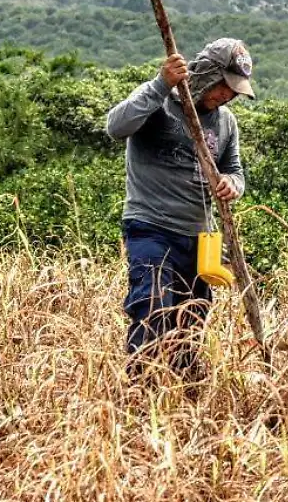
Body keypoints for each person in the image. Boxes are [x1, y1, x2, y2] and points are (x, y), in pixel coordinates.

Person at [103, 37, 253, 383]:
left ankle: (183, 402)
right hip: (152, 228)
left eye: (232, 92)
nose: (226, 96)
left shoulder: (226, 122)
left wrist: (232, 185)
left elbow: (235, 170)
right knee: (152, 310)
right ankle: (141, 395)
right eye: (223, 87)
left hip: (201, 238)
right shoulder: (159, 101)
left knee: (192, 319)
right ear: (206, 73)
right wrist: (161, 84)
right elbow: (115, 127)